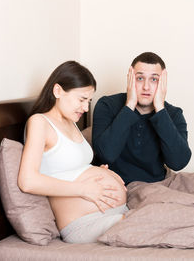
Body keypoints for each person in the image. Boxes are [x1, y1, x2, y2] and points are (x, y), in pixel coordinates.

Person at [18, 61, 127, 244]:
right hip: (84, 225)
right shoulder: (40, 122)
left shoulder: (71, 122)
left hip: (111, 213)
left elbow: (67, 166)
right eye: (82, 99)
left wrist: (98, 171)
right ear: (58, 91)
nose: (86, 108)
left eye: (89, 101)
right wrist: (84, 188)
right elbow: (27, 181)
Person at [92, 52, 192, 185]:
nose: (146, 86)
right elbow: (105, 155)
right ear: (130, 79)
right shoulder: (107, 105)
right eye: (140, 78)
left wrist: (160, 109)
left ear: (163, 82)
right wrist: (130, 105)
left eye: (154, 79)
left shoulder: (173, 114)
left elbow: (178, 162)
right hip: (114, 184)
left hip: (154, 187)